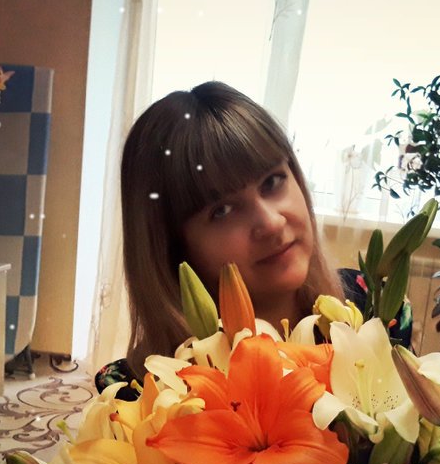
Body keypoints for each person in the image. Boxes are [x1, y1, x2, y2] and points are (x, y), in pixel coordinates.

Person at [96, 80, 410, 396]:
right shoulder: (143, 395)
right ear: (172, 249)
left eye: (272, 182)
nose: (271, 223)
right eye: (222, 211)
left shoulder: (377, 311)